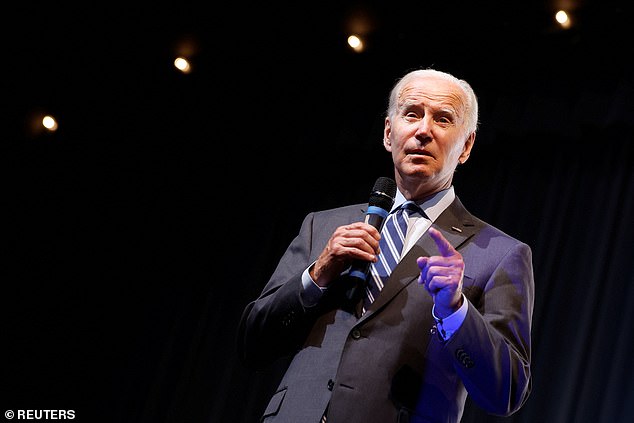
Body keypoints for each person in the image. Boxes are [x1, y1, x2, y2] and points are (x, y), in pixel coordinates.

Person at [237, 68, 534, 423]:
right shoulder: (324, 226)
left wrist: (456, 310)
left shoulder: (499, 254)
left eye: (442, 119)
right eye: (412, 114)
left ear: (466, 146)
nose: (424, 130)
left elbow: (507, 391)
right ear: (388, 133)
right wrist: (317, 275)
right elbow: (252, 345)